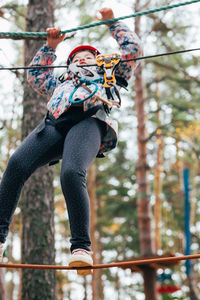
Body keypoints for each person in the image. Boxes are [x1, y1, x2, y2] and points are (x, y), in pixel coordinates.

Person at [0, 8, 142, 275]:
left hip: (90, 120)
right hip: (54, 123)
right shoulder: (60, 81)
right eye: (77, 58)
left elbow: (133, 49)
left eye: (89, 57)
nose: (83, 59)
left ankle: (81, 248)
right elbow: (36, 76)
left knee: (71, 173)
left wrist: (112, 23)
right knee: (17, 164)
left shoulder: (109, 71)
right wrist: (50, 48)